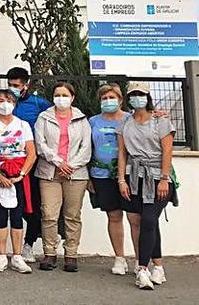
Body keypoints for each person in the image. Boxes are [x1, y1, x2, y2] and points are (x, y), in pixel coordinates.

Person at [117, 82, 176, 290]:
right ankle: (158, 267)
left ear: (147, 96)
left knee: (150, 219)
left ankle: (142, 268)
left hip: (157, 177)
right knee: (146, 222)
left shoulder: (160, 121)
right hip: (135, 178)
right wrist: (121, 180)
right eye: (133, 94)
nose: (136, 98)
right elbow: (122, 153)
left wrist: (164, 178)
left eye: (140, 94)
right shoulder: (126, 123)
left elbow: (167, 151)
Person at [0, 66, 52, 263]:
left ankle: (28, 245)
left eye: (16, 86)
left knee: (30, 207)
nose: (12, 89)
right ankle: (2, 255)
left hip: (28, 165)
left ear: (26, 85)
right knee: (2, 210)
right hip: (0, 167)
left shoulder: (39, 103)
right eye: (9, 85)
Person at [33, 82, 91, 272]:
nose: (61, 98)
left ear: (72, 98)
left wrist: (70, 165)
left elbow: (86, 148)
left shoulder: (81, 119)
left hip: (76, 174)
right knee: (49, 214)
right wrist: (58, 162)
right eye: (58, 95)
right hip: (49, 173)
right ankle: (49, 254)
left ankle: (71, 255)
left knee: (72, 215)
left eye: (65, 95)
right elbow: (40, 144)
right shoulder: (44, 117)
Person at [88, 84, 140, 275]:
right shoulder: (93, 121)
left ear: (120, 100)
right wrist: (88, 177)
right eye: (104, 98)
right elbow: (88, 149)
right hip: (101, 174)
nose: (108, 101)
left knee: (135, 217)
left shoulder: (130, 118)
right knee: (114, 216)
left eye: (112, 97)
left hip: (129, 174)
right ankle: (119, 259)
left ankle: (140, 260)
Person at [0, 89, 36, 274]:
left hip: (19, 173)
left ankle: (17, 256)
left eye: (8, 100)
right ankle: (1, 256)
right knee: (1, 215)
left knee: (17, 215)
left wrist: (22, 174)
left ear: (15, 104)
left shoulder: (23, 125)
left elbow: (31, 153)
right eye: (0, 100)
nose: (4, 104)